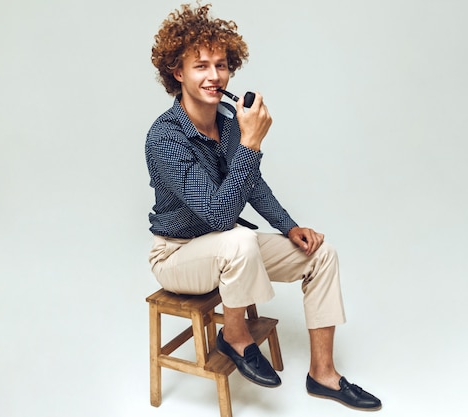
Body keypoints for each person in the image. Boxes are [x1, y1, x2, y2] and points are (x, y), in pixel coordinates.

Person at [145, 2, 381, 411]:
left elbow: (250, 184)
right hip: (178, 253)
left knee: (320, 254)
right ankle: (235, 337)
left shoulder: (229, 120)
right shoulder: (164, 137)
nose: (214, 75)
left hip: (230, 250)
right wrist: (252, 144)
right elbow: (219, 216)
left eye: (221, 64)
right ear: (177, 72)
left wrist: (290, 227)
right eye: (200, 65)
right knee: (237, 236)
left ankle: (323, 374)